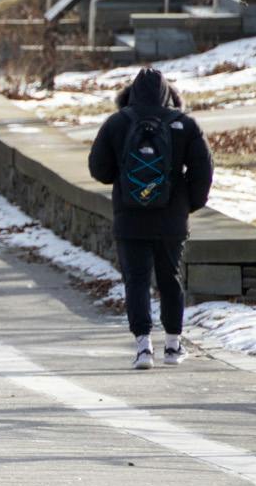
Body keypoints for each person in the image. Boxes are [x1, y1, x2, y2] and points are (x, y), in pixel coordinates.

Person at [88, 69, 214, 370]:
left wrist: (124, 177)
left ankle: (143, 347)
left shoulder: (117, 123)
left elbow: (99, 169)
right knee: (170, 278)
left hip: (129, 217)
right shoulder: (184, 124)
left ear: (130, 94)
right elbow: (203, 170)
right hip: (171, 217)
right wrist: (188, 204)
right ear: (169, 95)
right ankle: (172, 344)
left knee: (136, 280)